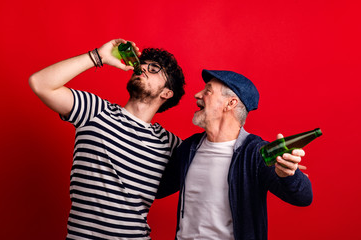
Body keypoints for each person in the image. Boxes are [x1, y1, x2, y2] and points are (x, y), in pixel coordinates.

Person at [29, 39, 185, 239]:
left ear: (166, 93)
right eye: (143, 63)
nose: (143, 67)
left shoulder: (169, 144)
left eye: (154, 68)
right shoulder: (95, 111)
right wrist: (98, 57)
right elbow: (40, 83)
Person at [156, 69, 313, 240]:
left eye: (207, 90)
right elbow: (156, 188)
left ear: (230, 103)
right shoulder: (189, 147)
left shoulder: (256, 153)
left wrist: (289, 175)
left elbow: (304, 197)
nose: (197, 94)